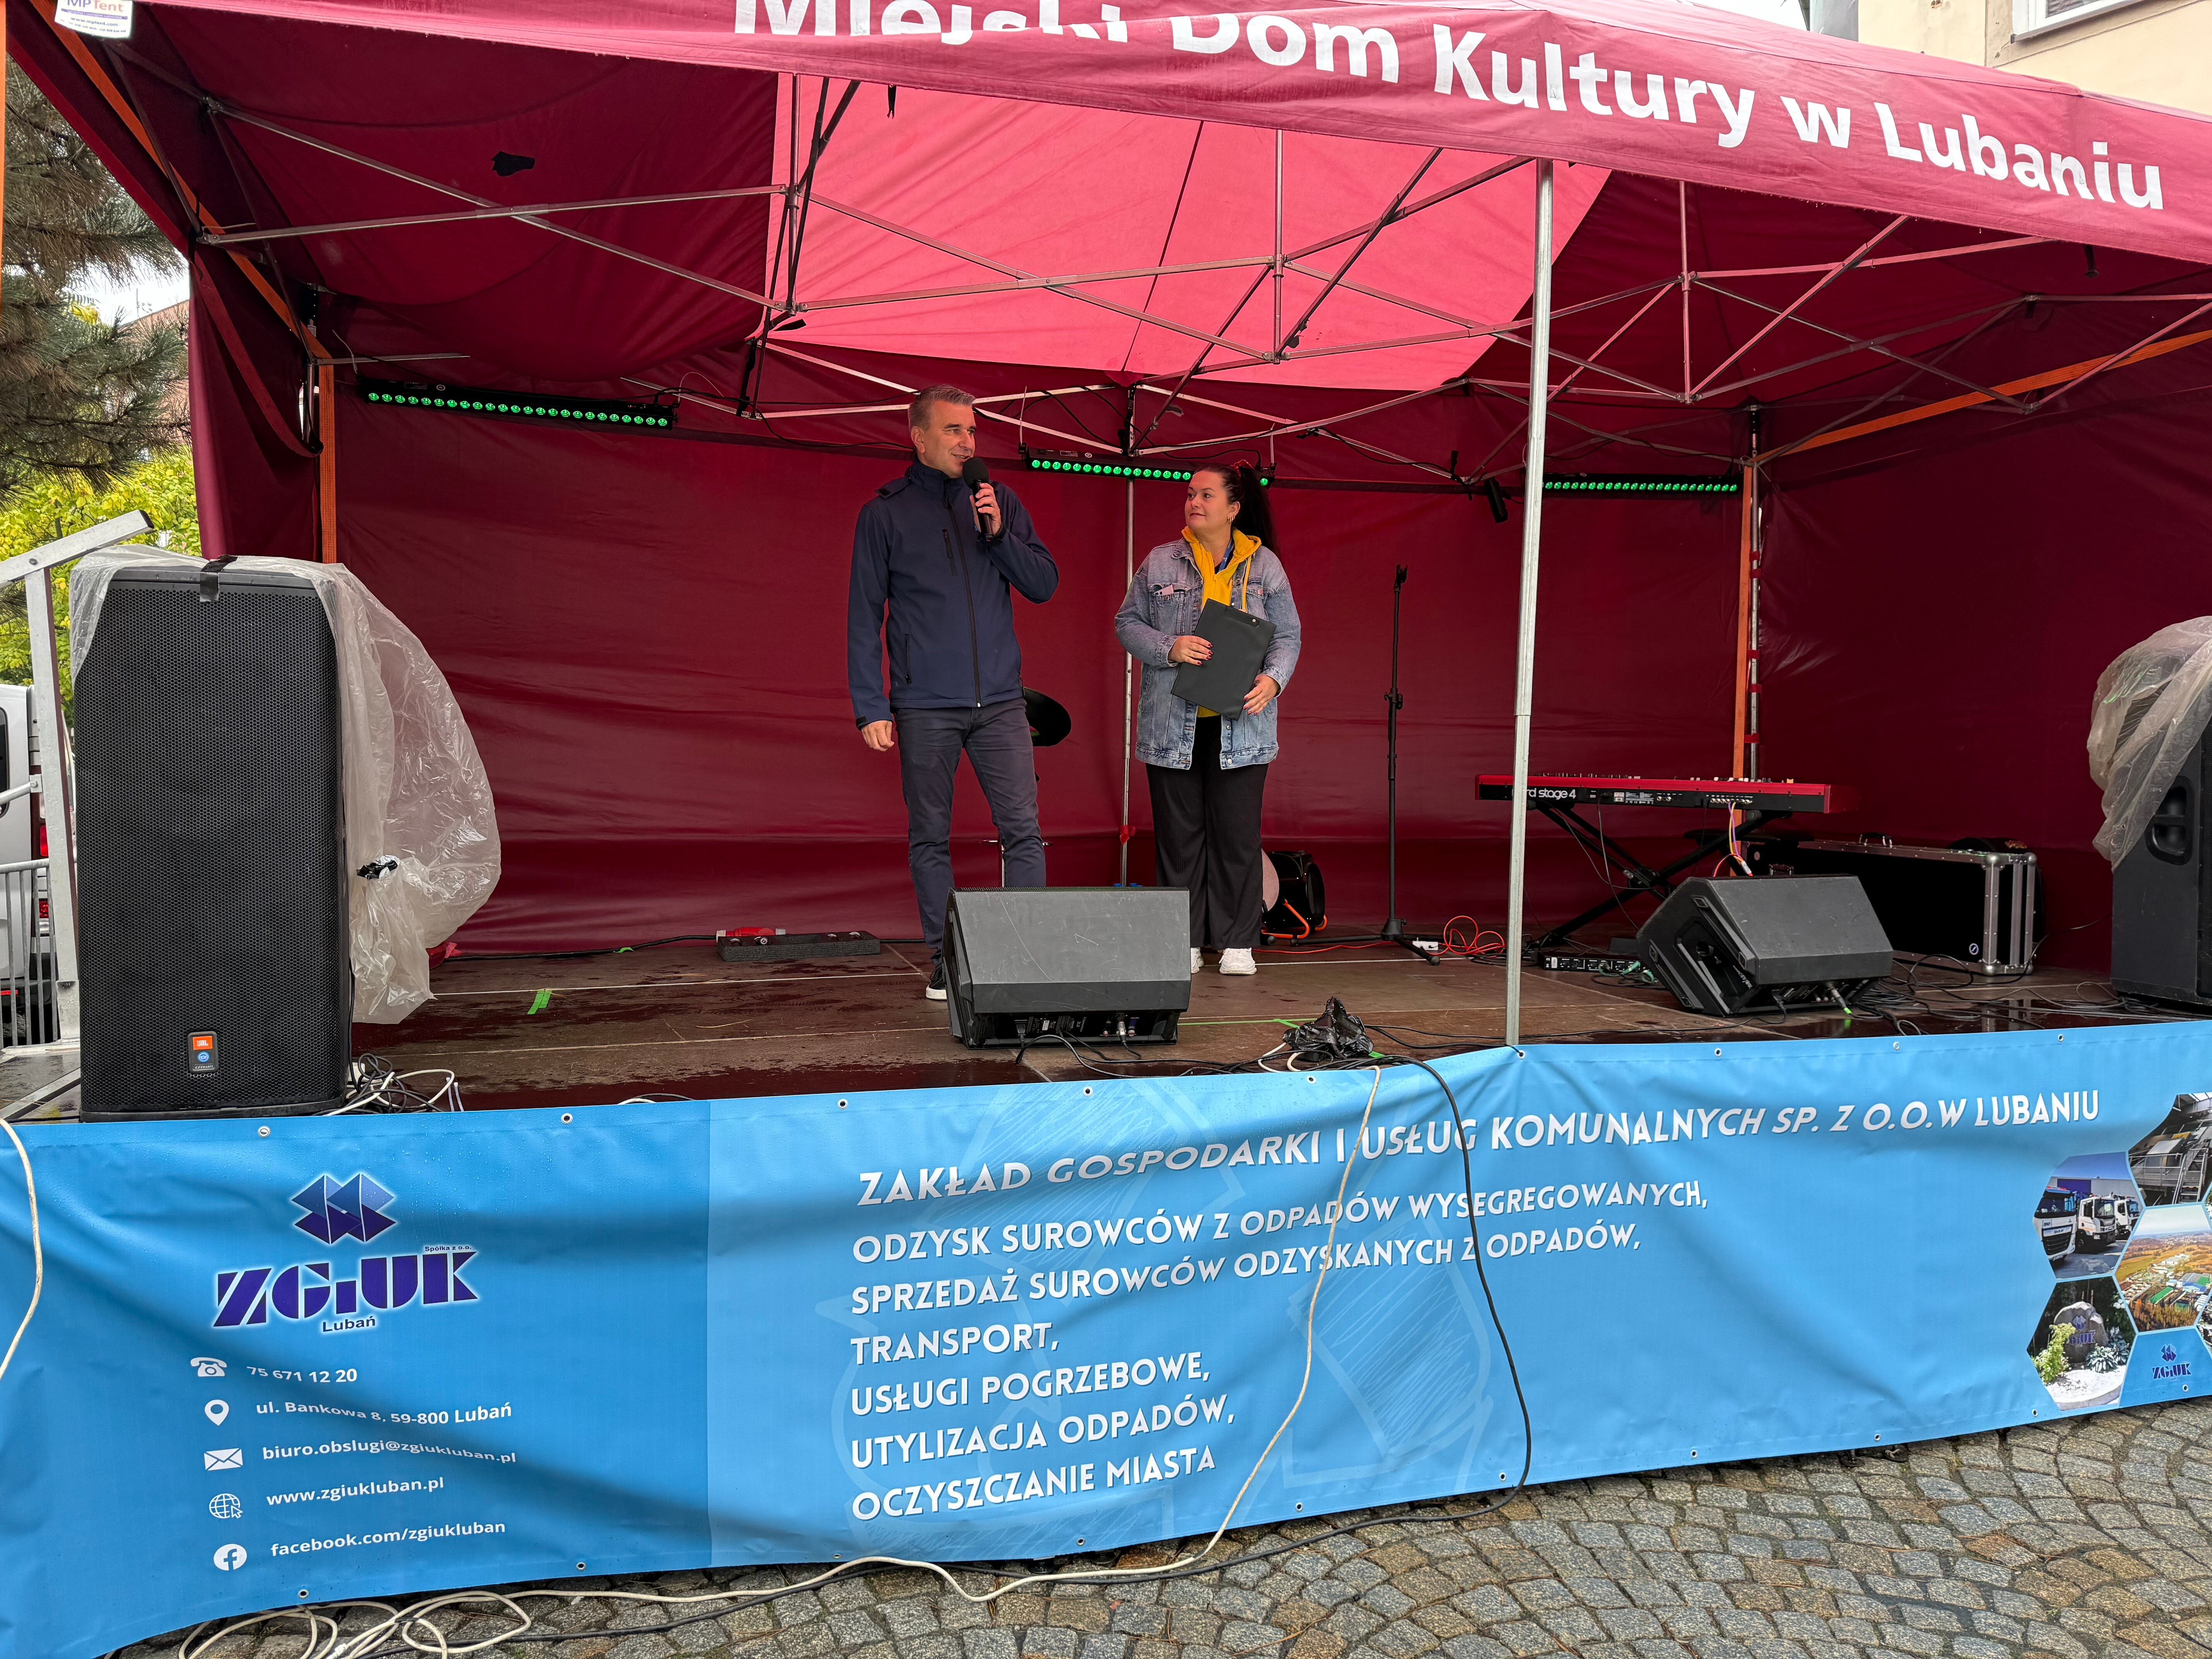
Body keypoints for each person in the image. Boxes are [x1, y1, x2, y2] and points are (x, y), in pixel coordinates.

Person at [848, 385, 1059, 1000]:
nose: (968, 443)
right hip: (924, 705)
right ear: (919, 438)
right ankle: (947, 960)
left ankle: (1025, 958)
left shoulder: (999, 501)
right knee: (930, 837)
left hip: (1001, 701)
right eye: (953, 431)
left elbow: (1044, 584)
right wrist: (870, 705)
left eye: (972, 431)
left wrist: (998, 535)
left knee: (1023, 831)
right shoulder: (884, 514)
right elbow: (864, 615)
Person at [1114, 462, 1301, 975]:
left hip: (1242, 726)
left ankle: (1238, 941)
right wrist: (1169, 647)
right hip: (1172, 725)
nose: (1193, 502)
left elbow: (1288, 635)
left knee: (1237, 836)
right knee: (1179, 838)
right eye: (1190, 494)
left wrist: (1273, 680)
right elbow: (1126, 622)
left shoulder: (1265, 566)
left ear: (1234, 508)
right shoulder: (1160, 561)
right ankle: (1187, 941)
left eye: (1206, 495)